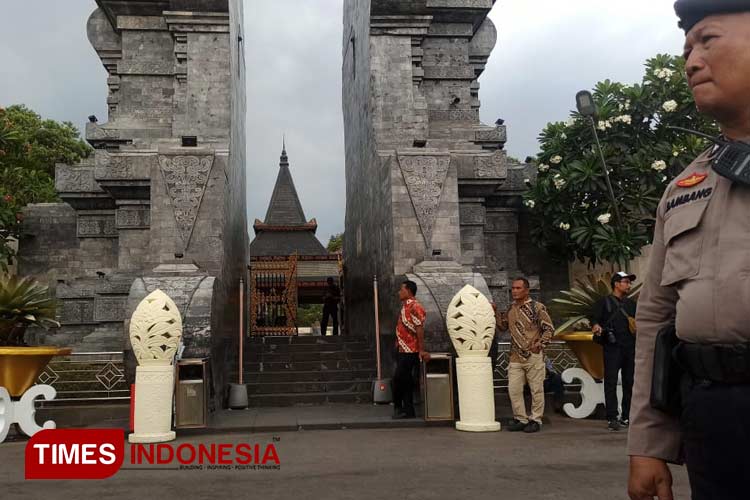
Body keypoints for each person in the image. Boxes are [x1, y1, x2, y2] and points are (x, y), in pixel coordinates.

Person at [629, 3, 750, 499]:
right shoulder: (686, 186)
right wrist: (648, 442)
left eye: (708, 40)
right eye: (686, 49)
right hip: (714, 419)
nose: (691, 61)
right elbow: (656, 317)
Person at [496, 278, 555, 433]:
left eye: (518, 288)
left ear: (527, 290)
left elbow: (549, 329)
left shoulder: (537, 307)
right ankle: (520, 418)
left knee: (536, 389)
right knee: (514, 389)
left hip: (533, 355)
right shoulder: (510, 309)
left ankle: (536, 419)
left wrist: (540, 344)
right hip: (515, 355)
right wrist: (494, 311)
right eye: (513, 288)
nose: (514, 291)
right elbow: (502, 327)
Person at [591, 271, 637, 432]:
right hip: (612, 347)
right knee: (610, 382)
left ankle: (627, 415)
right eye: (625, 282)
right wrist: (596, 326)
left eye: (629, 282)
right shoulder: (604, 302)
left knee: (629, 382)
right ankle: (612, 417)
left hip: (630, 347)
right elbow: (595, 319)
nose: (628, 285)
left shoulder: (632, 304)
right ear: (616, 284)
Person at [392, 280, 430, 419]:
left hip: (411, 350)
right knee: (405, 380)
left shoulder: (415, 306)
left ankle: (399, 407)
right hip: (402, 348)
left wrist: (421, 350)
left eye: (401, 289)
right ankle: (408, 411)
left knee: (398, 379)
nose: (399, 292)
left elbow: (419, 329)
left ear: (408, 291)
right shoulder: (405, 306)